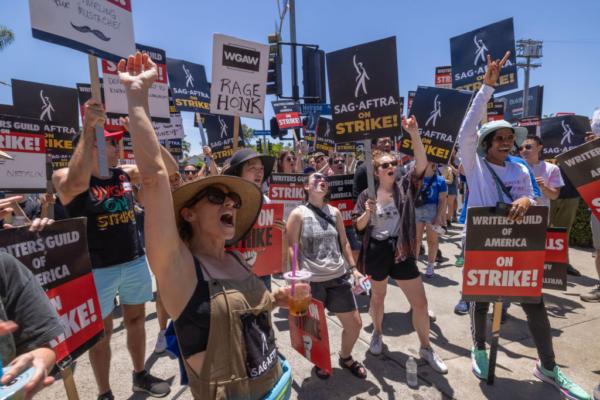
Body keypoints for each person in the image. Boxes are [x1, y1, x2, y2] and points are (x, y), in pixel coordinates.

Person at [117, 52, 293, 399]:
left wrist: (276, 299)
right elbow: (154, 181)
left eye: (235, 201)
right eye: (216, 196)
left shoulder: (236, 258)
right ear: (188, 214)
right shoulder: (178, 267)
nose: (230, 202)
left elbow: (245, 316)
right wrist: (137, 96)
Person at [458, 52, 589, 400]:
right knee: (480, 301)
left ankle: (547, 367)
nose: (505, 141)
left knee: (534, 305)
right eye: (498, 137)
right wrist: (487, 87)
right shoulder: (475, 166)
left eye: (508, 137)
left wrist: (528, 200)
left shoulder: (520, 167)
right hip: (484, 247)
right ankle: (480, 349)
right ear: (486, 143)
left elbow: (534, 193)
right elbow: (466, 130)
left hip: (520, 250)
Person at [52, 100, 173, 399]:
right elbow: (73, 186)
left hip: (132, 260)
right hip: (96, 268)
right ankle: (104, 392)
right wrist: (89, 129)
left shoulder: (124, 173)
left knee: (134, 321)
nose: (118, 148)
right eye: (110, 142)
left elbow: (167, 169)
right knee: (101, 334)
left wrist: (142, 132)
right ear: (90, 145)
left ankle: (139, 374)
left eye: (119, 142)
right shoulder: (64, 175)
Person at [352, 117, 448, 374]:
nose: (392, 166)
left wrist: (414, 133)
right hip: (377, 252)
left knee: (420, 303)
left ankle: (426, 347)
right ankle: (378, 334)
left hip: (402, 251)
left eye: (394, 163)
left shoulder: (406, 186)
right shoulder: (366, 196)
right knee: (379, 298)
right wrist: (366, 213)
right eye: (385, 165)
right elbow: (359, 228)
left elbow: (422, 164)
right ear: (376, 172)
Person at [286, 172, 367, 380]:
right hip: (312, 282)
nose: (322, 181)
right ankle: (321, 361)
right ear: (306, 187)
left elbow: (344, 242)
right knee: (315, 331)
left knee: (355, 324)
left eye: (324, 180)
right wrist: (296, 277)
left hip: (338, 277)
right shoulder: (298, 214)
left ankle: (345, 357)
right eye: (316, 179)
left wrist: (353, 269)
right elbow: (292, 247)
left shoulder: (335, 212)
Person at [223, 148, 277, 290]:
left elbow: (271, 241)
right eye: (252, 168)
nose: (259, 172)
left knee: (265, 310)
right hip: (233, 274)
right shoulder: (225, 203)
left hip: (262, 272)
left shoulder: (267, 201)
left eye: (261, 168)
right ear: (238, 173)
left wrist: (279, 229)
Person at [414, 162, 447, 278]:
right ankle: (414, 265)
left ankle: (430, 266)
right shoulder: (416, 178)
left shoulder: (440, 180)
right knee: (416, 240)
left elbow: (443, 200)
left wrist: (439, 216)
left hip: (432, 212)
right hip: (417, 211)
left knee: (432, 241)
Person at [519, 135, 564, 208]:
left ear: (539, 148)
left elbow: (554, 196)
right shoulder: (513, 167)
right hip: (518, 212)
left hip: (540, 214)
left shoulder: (552, 168)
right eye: (520, 148)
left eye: (528, 147)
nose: (524, 150)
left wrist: (543, 187)